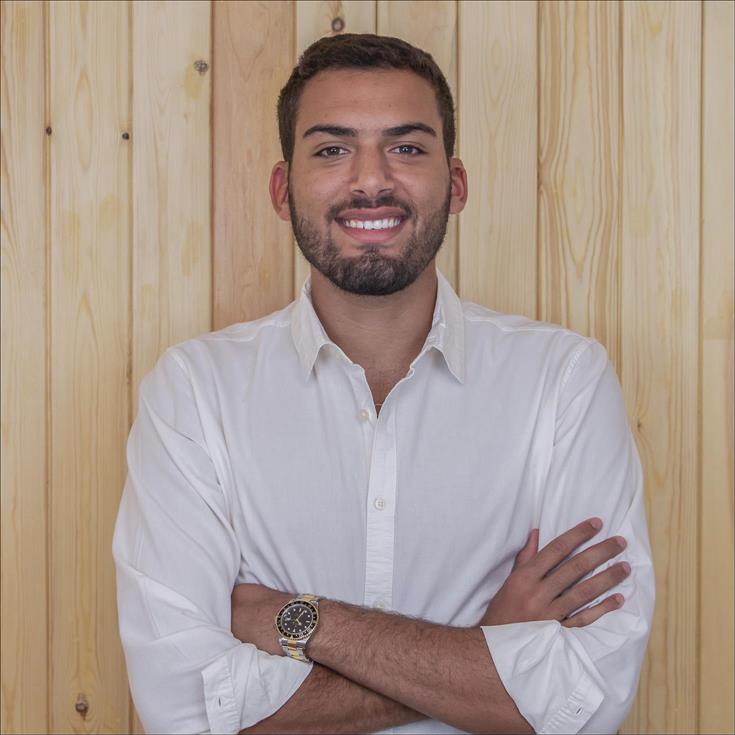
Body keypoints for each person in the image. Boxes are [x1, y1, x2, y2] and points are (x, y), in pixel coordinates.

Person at [112, 33, 654, 735]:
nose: (371, 180)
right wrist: (487, 646)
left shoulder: (564, 380)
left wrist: (299, 619)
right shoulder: (193, 392)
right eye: (332, 150)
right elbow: (184, 710)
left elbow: (588, 698)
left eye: (406, 147)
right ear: (281, 190)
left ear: (455, 184)